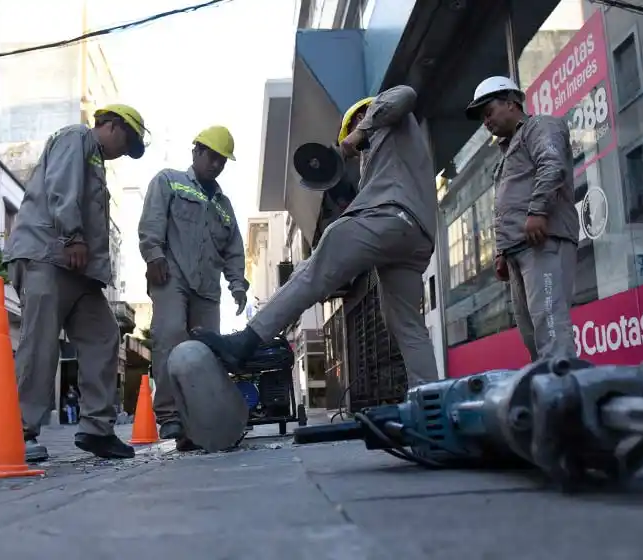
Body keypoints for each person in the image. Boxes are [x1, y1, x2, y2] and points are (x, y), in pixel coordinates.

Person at [191, 85, 440, 389]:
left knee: (319, 260)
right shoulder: (393, 156)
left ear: (363, 114)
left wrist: (358, 133)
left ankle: (246, 341)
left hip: (391, 215)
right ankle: (432, 398)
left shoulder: (388, 117)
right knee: (407, 326)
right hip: (416, 238)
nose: (360, 153)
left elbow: (406, 94)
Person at [4, 104, 149, 462]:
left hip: (79, 270)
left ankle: (97, 429)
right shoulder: (76, 137)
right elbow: (62, 186)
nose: (123, 154)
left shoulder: (95, 159)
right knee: (40, 343)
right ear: (112, 126)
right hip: (48, 254)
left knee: (104, 335)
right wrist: (72, 236)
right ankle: (19, 432)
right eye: (126, 143)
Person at [138, 125, 248, 448]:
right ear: (196, 151)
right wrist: (153, 254)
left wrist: (238, 285)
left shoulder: (224, 206)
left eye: (222, 161)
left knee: (206, 352)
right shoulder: (169, 181)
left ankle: (197, 426)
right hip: (171, 276)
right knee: (170, 334)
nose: (217, 165)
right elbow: (152, 220)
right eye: (212, 157)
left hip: (207, 289)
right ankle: (170, 414)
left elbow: (234, 249)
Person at [464, 76, 579, 361]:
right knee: (532, 336)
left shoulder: (540, 126)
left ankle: (563, 384)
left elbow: (552, 165)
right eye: (483, 117)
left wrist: (538, 210)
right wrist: (501, 252)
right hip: (518, 249)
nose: (486, 122)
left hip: (543, 242)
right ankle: (548, 384)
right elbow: (506, 204)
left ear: (511, 103)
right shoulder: (506, 151)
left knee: (550, 329)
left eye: (489, 112)